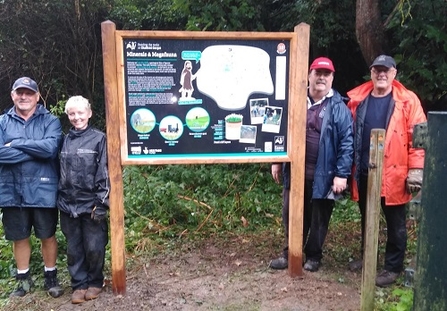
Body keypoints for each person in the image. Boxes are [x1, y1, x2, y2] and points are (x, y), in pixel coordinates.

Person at [346, 55, 426, 287]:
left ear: (394, 74)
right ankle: (368, 257)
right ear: (371, 73)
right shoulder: (357, 99)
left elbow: (418, 139)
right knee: (367, 217)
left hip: (395, 174)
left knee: (396, 223)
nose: (381, 74)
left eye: (386, 70)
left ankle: (392, 267)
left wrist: (417, 170)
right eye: (377, 70)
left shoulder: (408, 101)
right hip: (364, 170)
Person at [269, 57, 354, 272]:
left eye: (326, 74)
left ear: (332, 78)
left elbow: (347, 142)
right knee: (291, 214)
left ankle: (314, 256)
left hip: (325, 175)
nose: (322, 78)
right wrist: (277, 161)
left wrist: (341, 175)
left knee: (319, 218)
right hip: (295, 171)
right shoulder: (295, 100)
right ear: (309, 75)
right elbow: (281, 130)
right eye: (318, 73)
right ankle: (291, 253)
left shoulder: (339, 108)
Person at [0, 77, 64, 298]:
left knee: (47, 235)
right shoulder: (2, 122)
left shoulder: (51, 121)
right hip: (11, 190)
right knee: (20, 237)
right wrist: (33, 151)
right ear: (13, 95)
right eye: (20, 93)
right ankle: (23, 281)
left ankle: (51, 278)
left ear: (37, 96)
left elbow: (49, 149)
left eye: (29, 93)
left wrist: (16, 144)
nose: (24, 96)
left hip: (43, 189)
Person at [57, 95, 110, 304]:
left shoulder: (99, 138)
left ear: (89, 113)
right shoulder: (63, 140)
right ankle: (78, 284)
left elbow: (104, 173)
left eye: (80, 113)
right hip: (68, 204)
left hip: (91, 204)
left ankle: (95, 281)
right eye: (72, 113)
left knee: (94, 246)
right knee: (74, 248)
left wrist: (102, 203)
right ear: (68, 116)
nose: (76, 117)